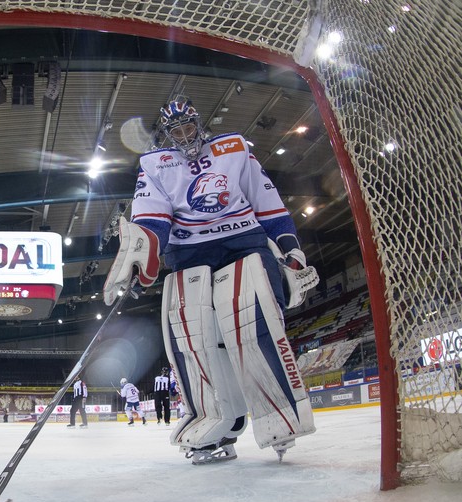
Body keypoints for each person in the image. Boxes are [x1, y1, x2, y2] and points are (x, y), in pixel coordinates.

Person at [103, 97, 319, 464]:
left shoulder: (233, 149)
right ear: (168, 135)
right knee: (190, 333)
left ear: (199, 124)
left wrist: (289, 249)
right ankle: (216, 418)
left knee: (251, 320)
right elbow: (153, 217)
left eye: (189, 127)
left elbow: (268, 204)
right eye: (177, 131)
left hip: (244, 243)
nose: (185, 136)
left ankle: (281, 412)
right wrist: (143, 252)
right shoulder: (156, 164)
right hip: (188, 255)